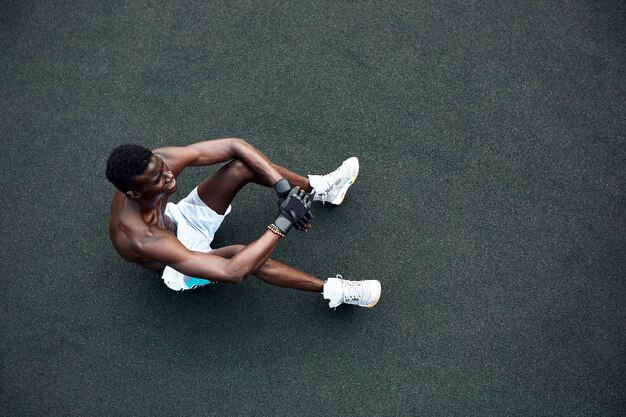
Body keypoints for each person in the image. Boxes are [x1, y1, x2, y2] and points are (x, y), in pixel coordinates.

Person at [105, 138, 381, 308]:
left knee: (242, 167)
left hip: (180, 219)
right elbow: (232, 272)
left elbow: (233, 145)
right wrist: (285, 220)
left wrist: (284, 189)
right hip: (178, 263)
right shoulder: (141, 237)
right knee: (242, 255)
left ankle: (320, 189)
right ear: (133, 194)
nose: (168, 177)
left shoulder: (157, 165)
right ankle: (335, 291)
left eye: (163, 168)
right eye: (158, 180)